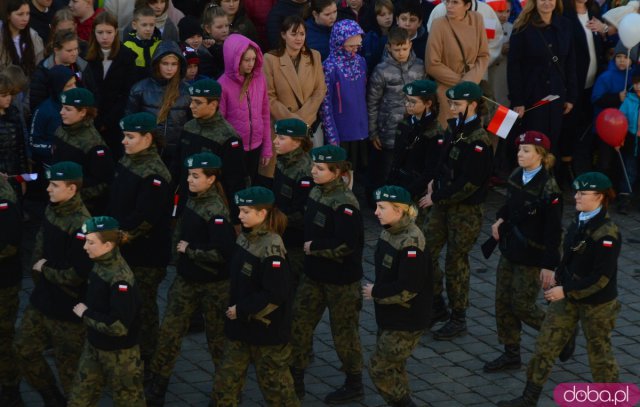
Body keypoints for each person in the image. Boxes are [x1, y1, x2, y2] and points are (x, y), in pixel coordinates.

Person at [498, 172, 621, 407]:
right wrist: (557, 273)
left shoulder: (608, 234)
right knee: (546, 344)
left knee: (600, 354)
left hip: (597, 304)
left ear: (600, 197)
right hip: (568, 294)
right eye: (576, 192)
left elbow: (600, 278)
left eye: (582, 193)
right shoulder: (581, 219)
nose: (576, 197)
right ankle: (529, 397)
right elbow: (571, 253)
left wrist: (565, 290)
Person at [145, 152, 236, 406]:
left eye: (196, 176)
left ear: (211, 178)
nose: (189, 180)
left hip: (214, 285)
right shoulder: (195, 199)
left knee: (218, 341)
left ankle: (225, 394)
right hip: (187, 281)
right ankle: (157, 387)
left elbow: (223, 253)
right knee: (169, 335)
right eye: (189, 175)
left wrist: (189, 250)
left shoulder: (216, 212)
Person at [290, 145, 365, 404]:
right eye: (314, 166)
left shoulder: (346, 204)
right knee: (299, 325)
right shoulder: (317, 192)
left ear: (336, 172)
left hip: (341, 280)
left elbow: (347, 245)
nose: (313, 171)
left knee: (344, 333)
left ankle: (354, 382)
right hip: (313, 276)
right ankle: (295, 377)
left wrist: (315, 248)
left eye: (320, 169)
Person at [483, 131, 563, 373]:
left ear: (540, 156)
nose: (520, 154)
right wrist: (499, 219)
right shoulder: (517, 175)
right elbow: (510, 206)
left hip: (532, 255)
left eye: (526, 150)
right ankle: (511, 353)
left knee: (523, 305)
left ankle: (561, 333)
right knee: (502, 303)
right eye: (519, 149)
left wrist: (550, 265)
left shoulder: (549, 188)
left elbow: (553, 231)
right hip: (510, 249)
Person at [418, 82, 493, 339]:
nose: (451, 108)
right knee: (425, 250)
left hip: (464, 210)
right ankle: (437, 304)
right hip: (442, 203)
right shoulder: (455, 129)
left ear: (472, 105)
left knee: (455, 262)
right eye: (450, 103)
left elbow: (469, 184)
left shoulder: (479, 141)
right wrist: (433, 182)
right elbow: (444, 160)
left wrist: (437, 197)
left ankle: (458, 316)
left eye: (457, 104)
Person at [212, 186, 299, 407]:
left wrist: (241, 309)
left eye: (246, 211)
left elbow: (276, 293)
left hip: (266, 332)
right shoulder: (246, 237)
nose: (239, 216)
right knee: (225, 384)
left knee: (277, 391)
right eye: (240, 210)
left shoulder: (271, 249)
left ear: (262, 214)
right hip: (240, 328)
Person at [14, 161, 92, 406]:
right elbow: (39, 247)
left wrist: (44, 269)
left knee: (70, 372)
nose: (48, 189)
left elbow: (77, 274)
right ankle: (51, 397)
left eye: (55, 185)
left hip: (68, 309)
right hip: (42, 299)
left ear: (72, 189)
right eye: (49, 183)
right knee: (23, 350)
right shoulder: (52, 209)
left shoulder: (82, 225)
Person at [107, 112, 172, 366]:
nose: (124, 141)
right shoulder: (130, 160)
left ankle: (148, 356)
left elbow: (144, 219)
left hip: (146, 254)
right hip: (123, 248)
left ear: (148, 138)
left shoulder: (155, 174)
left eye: (130, 136)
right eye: (124, 136)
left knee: (143, 307)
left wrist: (114, 240)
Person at [364, 185, 432, 407]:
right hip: (390, 314)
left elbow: (408, 288)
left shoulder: (411, 242)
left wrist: (376, 292)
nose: (376, 212)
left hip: (407, 318)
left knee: (380, 367)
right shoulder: (389, 229)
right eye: (377, 206)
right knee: (394, 366)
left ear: (400, 210)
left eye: (382, 207)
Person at [67, 216, 145, 407]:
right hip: (94, 346)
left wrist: (86, 314)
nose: (85, 246)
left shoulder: (120, 279)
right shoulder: (101, 262)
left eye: (91, 242)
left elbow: (118, 327)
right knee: (79, 400)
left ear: (108, 245)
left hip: (120, 356)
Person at [507, 0, 577, 157]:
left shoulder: (565, 25)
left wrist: (571, 96)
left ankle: (549, 176)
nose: (547, 2)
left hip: (557, 95)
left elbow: (571, 62)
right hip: (531, 96)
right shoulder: (522, 26)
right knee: (532, 141)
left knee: (552, 141)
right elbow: (513, 67)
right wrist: (517, 100)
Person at [174, 78, 247, 225]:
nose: (191, 106)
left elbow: (236, 180)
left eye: (198, 102)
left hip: (210, 211)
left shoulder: (228, 137)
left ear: (213, 104)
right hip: (185, 202)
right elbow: (177, 166)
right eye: (192, 100)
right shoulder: (189, 127)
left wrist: (235, 219)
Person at [263, 15, 326, 178]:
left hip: (308, 125)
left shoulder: (315, 56)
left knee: (306, 177)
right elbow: (269, 98)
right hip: (281, 128)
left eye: (302, 34)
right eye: (294, 34)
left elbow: (320, 90)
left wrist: (302, 120)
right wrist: (293, 121)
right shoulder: (270, 59)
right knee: (281, 178)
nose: (299, 38)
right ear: (283, 35)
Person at [367, 26, 425, 194]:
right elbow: (372, 102)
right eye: (397, 49)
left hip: (412, 129)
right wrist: (373, 132)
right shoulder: (381, 70)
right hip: (388, 129)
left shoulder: (420, 67)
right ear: (389, 48)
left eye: (405, 49)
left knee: (409, 166)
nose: (401, 53)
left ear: (410, 46)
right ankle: (380, 201)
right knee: (385, 169)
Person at [126, 40, 191, 171]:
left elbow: (191, 125)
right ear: (157, 64)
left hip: (176, 154)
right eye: (165, 63)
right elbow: (130, 123)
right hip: (147, 152)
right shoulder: (140, 89)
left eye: (174, 64)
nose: (169, 68)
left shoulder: (187, 92)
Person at [425, 0, 490, 127]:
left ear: (467, 5)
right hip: (448, 92)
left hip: (472, 89)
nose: (449, 6)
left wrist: (470, 81)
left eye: (455, 2)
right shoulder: (438, 24)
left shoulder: (477, 19)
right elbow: (432, 64)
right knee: (449, 136)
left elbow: (483, 55)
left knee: (471, 137)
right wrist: (463, 84)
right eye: (447, 1)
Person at [387, 79, 442, 225]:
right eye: (407, 100)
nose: (407, 105)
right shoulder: (405, 123)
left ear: (428, 103)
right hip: (400, 184)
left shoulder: (434, 132)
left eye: (412, 102)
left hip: (416, 191)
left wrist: (409, 192)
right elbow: (397, 157)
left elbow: (430, 170)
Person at [219, 33, 272, 184]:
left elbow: (265, 113)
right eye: (246, 60)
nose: (251, 64)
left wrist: (267, 148)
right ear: (234, 59)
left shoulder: (259, 79)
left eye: (253, 59)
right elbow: (220, 122)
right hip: (234, 149)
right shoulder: (223, 84)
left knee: (252, 186)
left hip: (256, 145)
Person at [85, 10, 138, 160]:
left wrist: (107, 121)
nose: (104, 37)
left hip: (116, 122)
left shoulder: (127, 56)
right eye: (100, 32)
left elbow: (127, 93)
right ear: (94, 33)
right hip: (92, 120)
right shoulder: (88, 56)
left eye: (109, 32)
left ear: (115, 32)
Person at [53, 87, 114, 215]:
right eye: (62, 107)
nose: (61, 112)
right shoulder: (62, 130)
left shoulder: (94, 145)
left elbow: (102, 183)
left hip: (82, 208)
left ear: (83, 112)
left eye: (68, 109)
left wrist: (71, 195)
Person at [320, 19, 368, 176]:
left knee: (361, 175)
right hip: (342, 134)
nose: (354, 50)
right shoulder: (329, 67)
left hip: (362, 130)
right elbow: (325, 105)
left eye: (357, 46)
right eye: (350, 46)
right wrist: (332, 136)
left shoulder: (361, 62)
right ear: (339, 43)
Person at [272, 118, 314, 287]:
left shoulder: (304, 171)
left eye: (281, 138)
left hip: (295, 239)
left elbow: (302, 213)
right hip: (281, 232)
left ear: (297, 141)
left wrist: (274, 220)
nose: (275, 141)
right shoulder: (284, 160)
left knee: (292, 284)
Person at [28, 65, 76, 205]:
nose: (74, 88)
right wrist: (53, 148)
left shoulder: (78, 106)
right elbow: (33, 142)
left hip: (74, 165)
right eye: (68, 86)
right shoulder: (43, 111)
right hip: (52, 166)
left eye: (74, 84)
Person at [587, 42, 633, 180]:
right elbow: (596, 98)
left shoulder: (633, 76)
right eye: (618, 56)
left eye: (626, 57)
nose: (621, 60)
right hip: (607, 126)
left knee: (622, 161)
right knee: (605, 161)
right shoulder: (606, 76)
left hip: (627, 126)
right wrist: (616, 97)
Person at [30, 29, 97, 111]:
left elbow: (92, 93)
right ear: (56, 50)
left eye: (76, 49)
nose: (74, 53)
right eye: (69, 50)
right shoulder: (43, 72)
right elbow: (37, 104)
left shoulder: (82, 66)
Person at [0, 176, 23, 407]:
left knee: (3, 337)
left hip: (3, 282)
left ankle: (10, 389)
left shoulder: (4, 200)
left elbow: (8, 245)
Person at [0, 0, 45, 76]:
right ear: (8, 15)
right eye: (20, 14)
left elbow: (40, 64)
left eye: (27, 14)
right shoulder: (1, 37)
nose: (25, 19)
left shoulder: (33, 36)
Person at [0, 73, 29, 188]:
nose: (9, 98)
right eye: (4, 95)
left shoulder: (14, 114)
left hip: (14, 175)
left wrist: (23, 177)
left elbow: (21, 149)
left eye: (10, 94)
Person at [617, 73, 640, 214]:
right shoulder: (629, 100)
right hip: (632, 140)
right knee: (629, 170)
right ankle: (624, 200)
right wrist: (619, 139)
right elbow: (620, 121)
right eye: (636, 83)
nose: (638, 86)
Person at [122, 6, 162, 72]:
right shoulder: (127, 46)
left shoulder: (160, 45)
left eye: (151, 25)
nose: (148, 29)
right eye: (144, 25)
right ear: (134, 25)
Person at [362, 0, 394, 75]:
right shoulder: (369, 38)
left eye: (390, 13)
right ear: (374, 17)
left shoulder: (397, 33)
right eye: (382, 15)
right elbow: (368, 64)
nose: (388, 17)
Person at [202, 3, 231, 79]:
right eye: (219, 27)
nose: (224, 30)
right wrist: (214, 48)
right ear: (208, 28)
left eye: (227, 26)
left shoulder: (232, 42)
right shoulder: (203, 48)